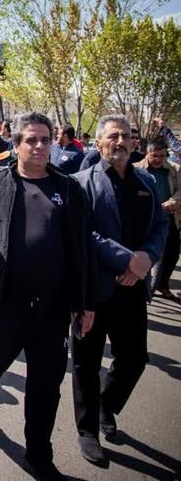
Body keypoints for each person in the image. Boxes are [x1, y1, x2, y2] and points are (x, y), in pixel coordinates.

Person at [0, 111, 95, 481]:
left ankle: (38, 453)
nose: (39, 146)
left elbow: (83, 248)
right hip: (7, 302)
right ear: (16, 145)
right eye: (31, 140)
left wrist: (85, 302)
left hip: (52, 310)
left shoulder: (69, 188)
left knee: (46, 385)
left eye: (45, 140)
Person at [72, 115, 168, 468]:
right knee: (86, 363)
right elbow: (83, 234)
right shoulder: (81, 183)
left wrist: (147, 257)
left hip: (132, 289)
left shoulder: (146, 181)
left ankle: (106, 405)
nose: (121, 141)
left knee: (134, 360)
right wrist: (128, 259)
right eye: (113, 136)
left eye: (126, 136)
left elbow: (160, 226)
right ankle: (87, 430)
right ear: (98, 143)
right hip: (94, 290)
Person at [135, 139, 180, 300]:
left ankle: (163, 284)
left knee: (172, 253)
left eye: (162, 156)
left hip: (169, 217)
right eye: (154, 155)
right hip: (145, 218)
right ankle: (141, 284)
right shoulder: (136, 169)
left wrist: (172, 202)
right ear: (147, 153)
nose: (158, 159)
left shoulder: (175, 169)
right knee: (144, 252)